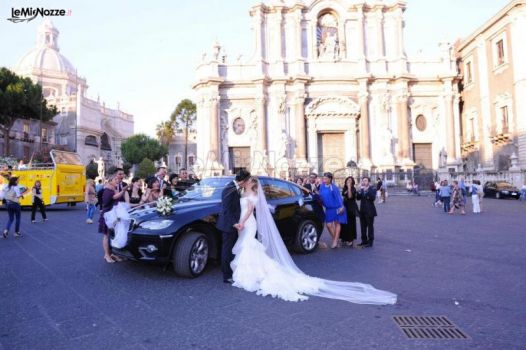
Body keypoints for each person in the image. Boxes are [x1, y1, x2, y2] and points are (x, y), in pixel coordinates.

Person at [229, 176, 397, 305]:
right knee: (249, 246)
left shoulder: (253, 194)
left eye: (247, 182)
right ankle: (253, 270)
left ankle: (252, 272)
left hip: (248, 222)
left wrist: (242, 222)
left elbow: (250, 208)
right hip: (247, 222)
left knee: (250, 246)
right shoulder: (244, 192)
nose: (245, 184)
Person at [216, 169, 251, 284]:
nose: (248, 183)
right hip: (228, 224)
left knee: (231, 249)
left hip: (233, 224)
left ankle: (231, 271)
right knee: (227, 250)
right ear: (243, 181)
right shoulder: (229, 188)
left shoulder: (235, 187)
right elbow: (226, 209)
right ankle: (226, 276)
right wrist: (234, 223)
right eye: (247, 180)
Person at [98, 174, 128, 263]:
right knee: (106, 235)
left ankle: (112, 254)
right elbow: (113, 198)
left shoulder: (113, 189)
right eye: (115, 179)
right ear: (110, 181)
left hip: (113, 215)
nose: (117, 180)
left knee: (113, 235)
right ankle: (106, 255)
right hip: (107, 215)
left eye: (118, 179)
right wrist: (123, 191)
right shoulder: (107, 189)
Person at [319, 172, 347, 249]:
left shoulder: (334, 187)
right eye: (323, 178)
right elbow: (321, 196)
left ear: (330, 179)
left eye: (325, 178)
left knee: (337, 224)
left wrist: (341, 207)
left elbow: (338, 198)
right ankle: (336, 239)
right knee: (328, 225)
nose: (324, 179)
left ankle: (334, 241)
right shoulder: (322, 186)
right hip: (328, 209)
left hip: (337, 208)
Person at [357, 176, 377, 248]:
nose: (364, 182)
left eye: (365, 180)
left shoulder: (372, 189)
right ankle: (364, 241)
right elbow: (358, 198)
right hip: (362, 211)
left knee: (370, 226)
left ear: (369, 182)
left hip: (370, 211)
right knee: (363, 226)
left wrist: (366, 190)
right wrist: (358, 190)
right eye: (363, 180)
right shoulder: (361, 189)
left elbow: (372, 198)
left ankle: (370, 241)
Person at [341, 176, 359, 247]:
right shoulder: (344, 188)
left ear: (352, 182)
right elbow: (343, 195)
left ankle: (350, 239)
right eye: (347, 180)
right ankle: (344, 238)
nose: (348, 181)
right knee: (344, 223)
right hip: (345, 207)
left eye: (350, 180)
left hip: (351, 208)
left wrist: (349, 187)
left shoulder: (353, 189)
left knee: (350, 223)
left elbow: (350, 196)